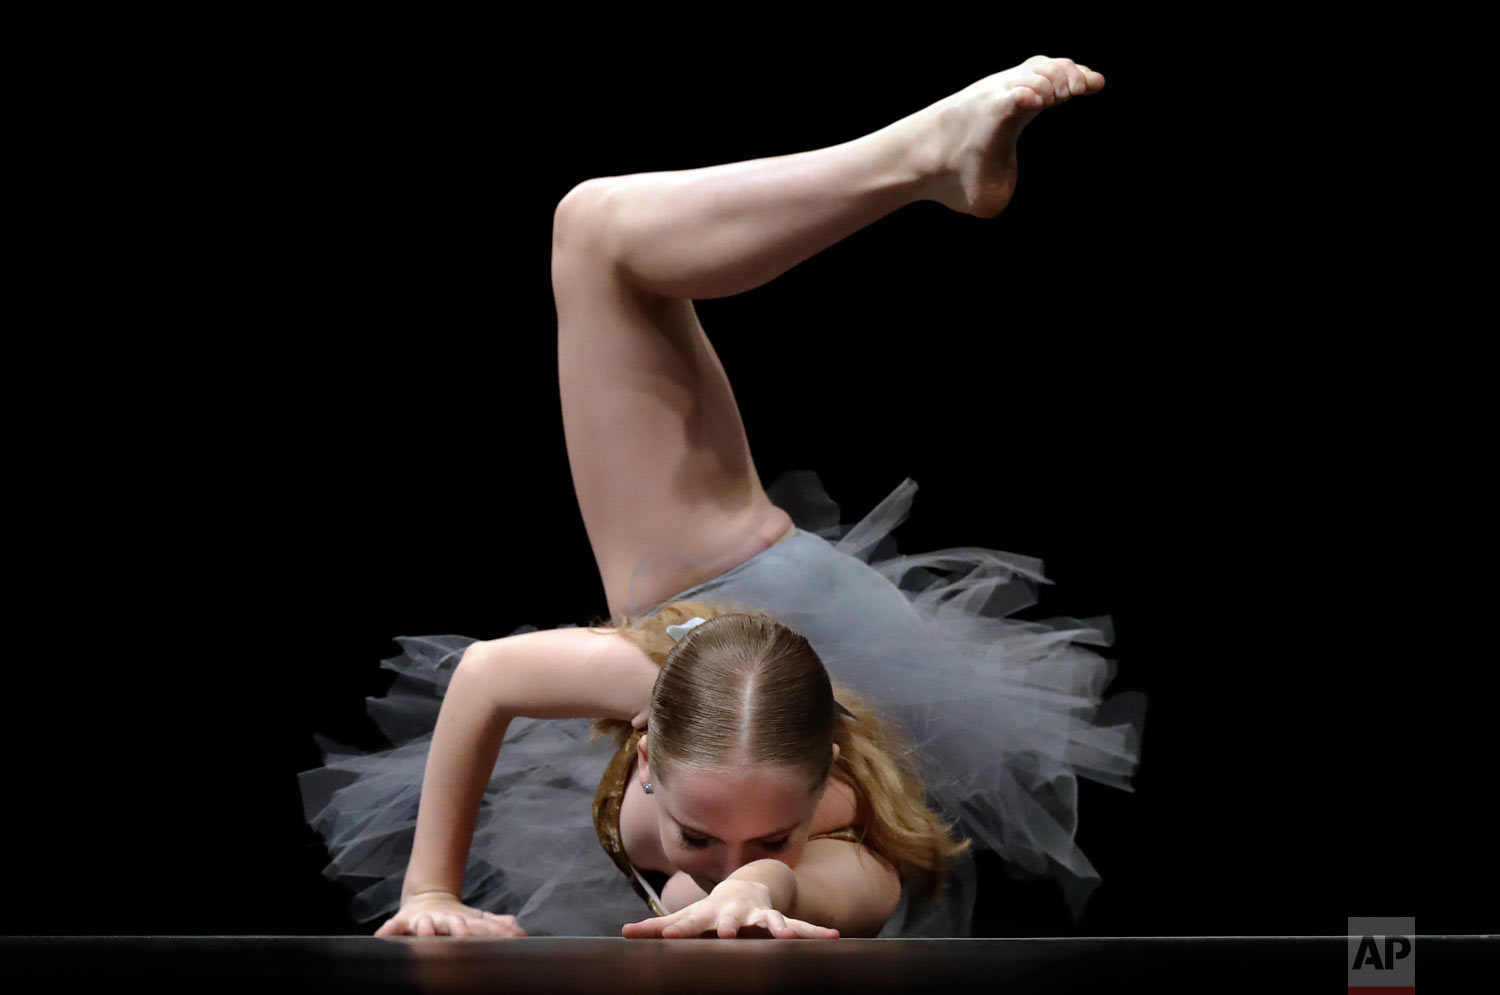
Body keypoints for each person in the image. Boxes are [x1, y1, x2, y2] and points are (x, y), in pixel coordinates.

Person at [298, 55, 1147, 940]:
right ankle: (918, 155)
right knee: (594, 234)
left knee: (601, 240)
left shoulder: (798, 799)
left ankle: (923, 158)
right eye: (702, 835)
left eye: (764, 838)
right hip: (748, 580)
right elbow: (484, 681)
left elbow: (486, 678)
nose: (733, 862)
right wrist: (429, 886)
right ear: (645, 750)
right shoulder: (716, 732)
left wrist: (765, 887)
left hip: (760, 651)